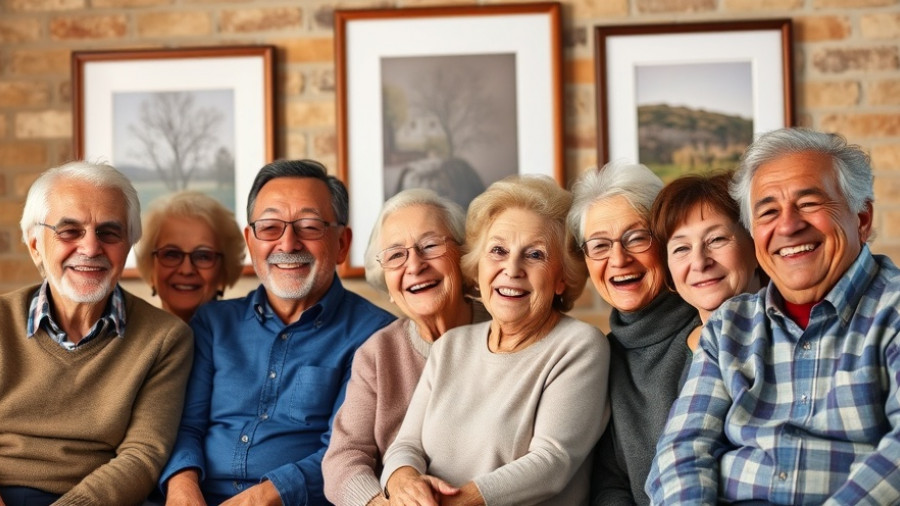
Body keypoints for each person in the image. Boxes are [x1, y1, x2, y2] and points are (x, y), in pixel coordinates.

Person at [647, 128, 900, 504]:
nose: (787, 225)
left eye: (808, 203)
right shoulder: (728, 326)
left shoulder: (892, 309)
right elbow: (681, 449)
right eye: (768, 212)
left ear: (862, 219)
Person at [159, 159, 396, 505]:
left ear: (342, 243)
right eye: (270, 227)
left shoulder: (377, 335)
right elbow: (185, 426)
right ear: (250, 240)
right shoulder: (211, 323)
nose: (288, 244)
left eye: (309, 227)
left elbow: (347, 453)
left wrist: (262, 497)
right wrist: (182, 487)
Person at [381, 175, 610, 506]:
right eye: (498, 251)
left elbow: (551, 463)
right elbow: (406, 446)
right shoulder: (450, 346)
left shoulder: (579, 346)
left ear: (562, 278)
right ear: (478, 267)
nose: (512, 269)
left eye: (535, 255)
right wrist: (404, 482)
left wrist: (449, 503)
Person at [0, 161, 193, 505]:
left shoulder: (165, 338)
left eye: (109, 232)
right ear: (35, 245)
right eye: (69, 231)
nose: (90, 248)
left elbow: (143, 455)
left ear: (128, 245)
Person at [322, 188, 490, 506]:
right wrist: (380, 504)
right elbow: (343, 457)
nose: (414, 265)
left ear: (463, 257)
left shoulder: (508, 332)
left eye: (430, 245)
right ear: (386, 281)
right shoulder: (378, 353)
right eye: (395, 255)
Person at [567, 162, 700, 506]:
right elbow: (609, 481)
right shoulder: (602, 355)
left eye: (637, 238)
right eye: (599, 245)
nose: (618, 259)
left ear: (666, 240)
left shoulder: (707, 336)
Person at [649, 172, 762, 348]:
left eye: (716, 239)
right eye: (681, 248)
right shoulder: (667, 356)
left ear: (755, 244)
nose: (699, 263)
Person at [135, 191, 245, 322]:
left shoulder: (247, 333)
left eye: (203, 256)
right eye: (172, 254)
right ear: (151, 266)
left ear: (224, 271)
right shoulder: (130, 333)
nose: (186, 270)